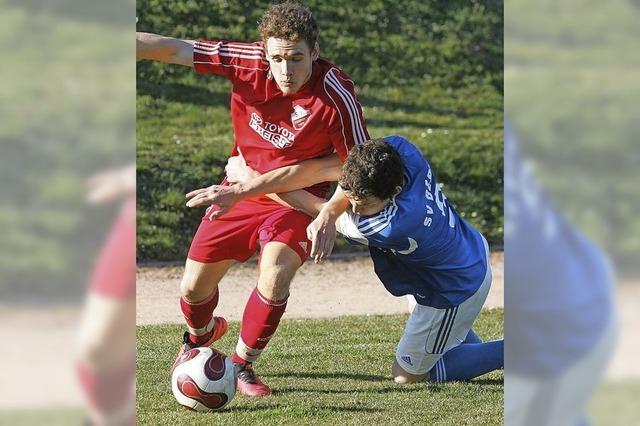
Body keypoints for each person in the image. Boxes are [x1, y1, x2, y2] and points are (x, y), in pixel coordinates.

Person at [136, 1, 369, 396]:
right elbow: (173, 48)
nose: (285, 69)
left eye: (296, 58)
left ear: (315, 52)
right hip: (238, 192)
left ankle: (241, 366)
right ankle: (199, 338)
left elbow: (361, 172)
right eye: (277, 58)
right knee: (193, 290)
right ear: (264, 52)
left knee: (276, 271)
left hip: (295, 201)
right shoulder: (246, 61)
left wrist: (330, 212)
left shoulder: (335, 96)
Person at [217, 136, 504, 383]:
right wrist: (331, 210)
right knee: (444, 341)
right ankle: (455, 339)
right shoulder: (398, 150)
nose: (353, 207)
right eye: (352, 197)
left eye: (362, 205)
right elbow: (349, 176)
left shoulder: (392, 226)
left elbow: (309, 206)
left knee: (407, 376)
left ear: (394, 192)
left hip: (453, 288)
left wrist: (251, 181)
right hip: (463, 252)